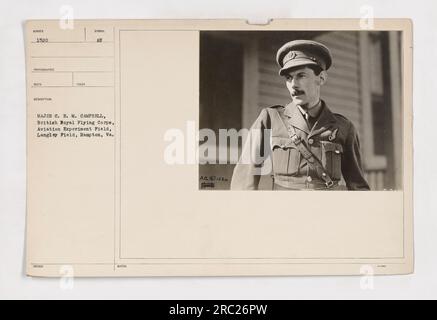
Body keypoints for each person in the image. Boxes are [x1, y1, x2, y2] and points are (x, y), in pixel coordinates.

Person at [230, 40, 370, 190]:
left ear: (321, 78)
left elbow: (359, 188)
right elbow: (243, 182)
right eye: (289, 78)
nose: (293, 85)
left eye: (301, 76)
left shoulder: (344, 128)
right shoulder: (270, 119)